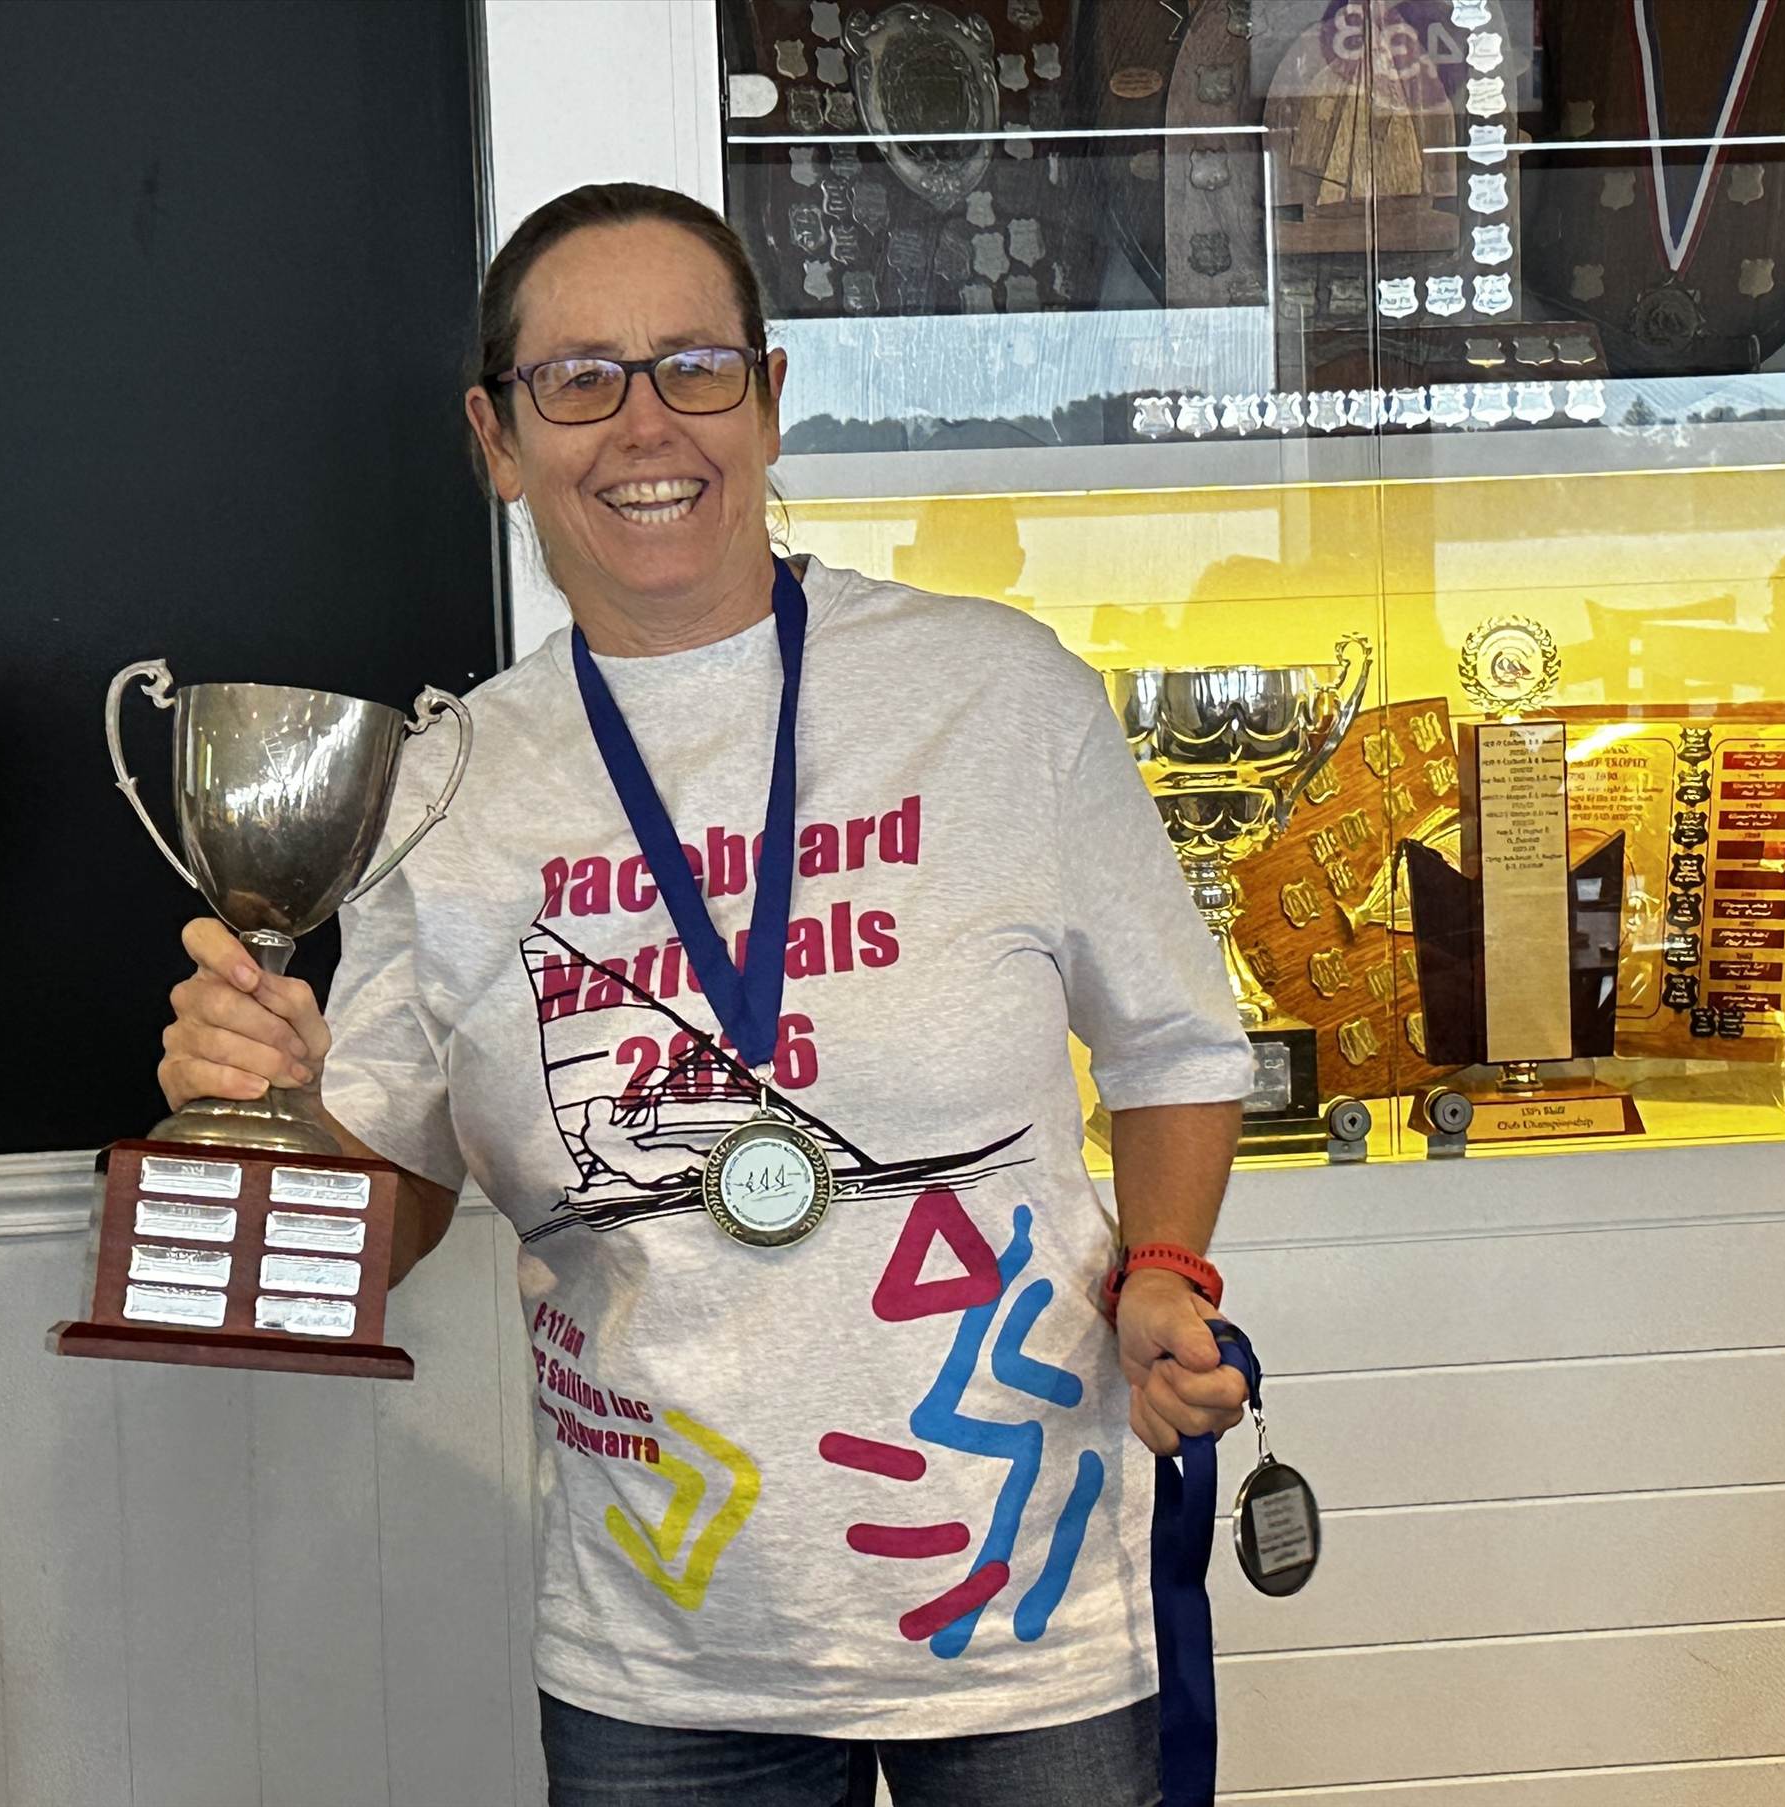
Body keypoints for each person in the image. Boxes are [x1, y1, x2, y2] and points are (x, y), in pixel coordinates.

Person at [158, 182, 1253, 1806]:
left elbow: (1173, 1042)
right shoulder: (444, 788)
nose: (644, 422)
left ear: (769, 397)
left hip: (1023, 1607)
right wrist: (273, 1112)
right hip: (666, 1652)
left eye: (693, 365)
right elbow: (390, 1221)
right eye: (577, 378)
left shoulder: (995, 695)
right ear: (495, 436)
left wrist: (1162, 1265)